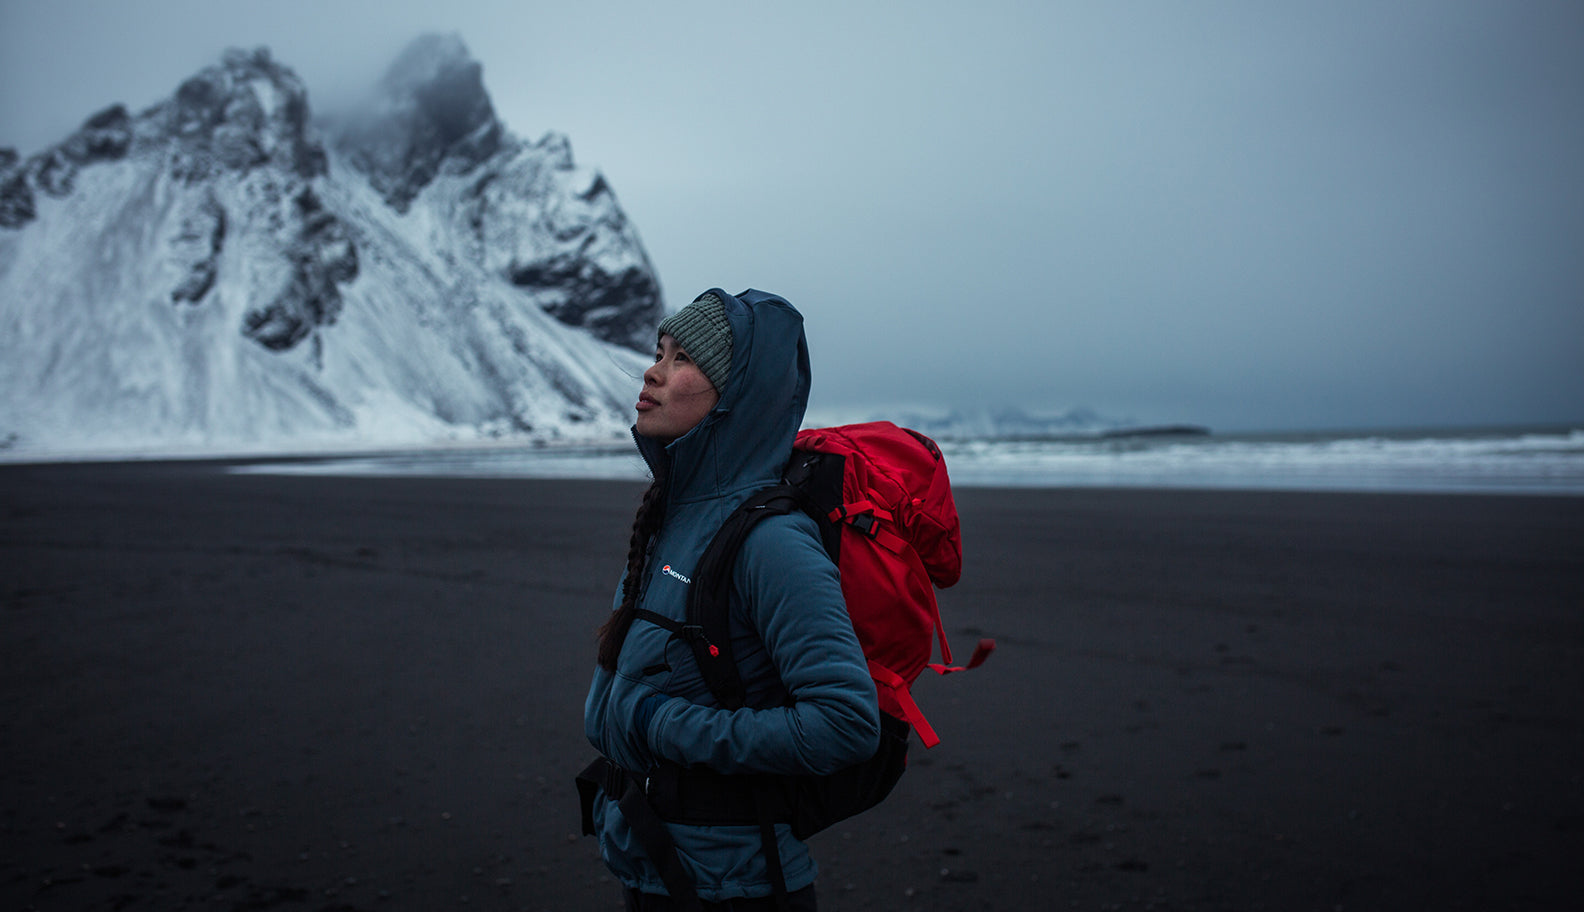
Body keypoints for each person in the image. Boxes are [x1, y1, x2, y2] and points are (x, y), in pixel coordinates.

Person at [583, 289, 881, 911]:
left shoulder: (772, 542)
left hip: (739, 885)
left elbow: (846, 723)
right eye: (658, 351)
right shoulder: (674, 518)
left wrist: (657, 725)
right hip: (654, 862)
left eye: (683, 357)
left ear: (736, 395)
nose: (653, 371)